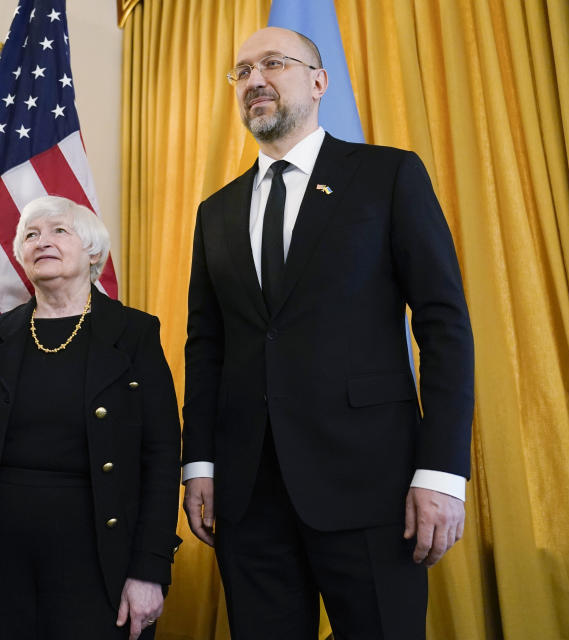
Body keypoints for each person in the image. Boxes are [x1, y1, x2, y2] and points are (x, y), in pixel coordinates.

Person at [181, 27, 474, 638]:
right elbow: (206, 348)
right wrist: (199, 463)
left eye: (273, 64)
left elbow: (443, 324)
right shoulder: (216, 213)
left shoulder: (387, 175)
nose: (255, 80)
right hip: (248, 496)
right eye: (242, 72)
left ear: (318, 83)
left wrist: (442, 472)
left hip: (372, 487)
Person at [0, 195, 182, 640]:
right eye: (31, 235)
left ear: (93, 252)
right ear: (21, 256)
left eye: (59, 230)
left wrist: (150, 569)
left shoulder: (135, 333)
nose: (42, 240)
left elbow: (160, 456)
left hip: (100, 557)